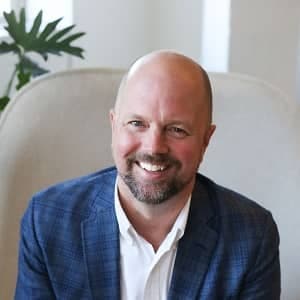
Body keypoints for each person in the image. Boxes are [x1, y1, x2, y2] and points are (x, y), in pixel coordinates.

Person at [15, 50, 280, 299]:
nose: (154, 147)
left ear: (205, 140)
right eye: (137, 124)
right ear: (114, 126)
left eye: (176, 129)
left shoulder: (251, 235)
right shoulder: (49, 221)